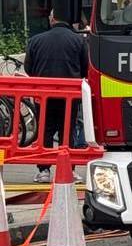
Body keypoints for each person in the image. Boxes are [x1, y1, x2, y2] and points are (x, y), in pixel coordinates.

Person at [25, 10, 89, 183]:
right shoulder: (79, 40)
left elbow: (28, 69)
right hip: (70, 95)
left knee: (45, 130)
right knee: (67, 130)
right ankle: (68, 168)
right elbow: (85, 69)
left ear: (52, 19)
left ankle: (44, 170)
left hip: (43, 94)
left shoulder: (35, 41)